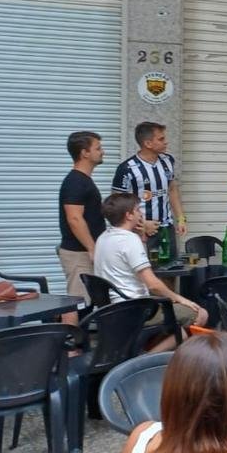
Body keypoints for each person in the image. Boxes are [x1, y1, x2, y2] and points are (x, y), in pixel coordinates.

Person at [93, 193, 207, 350]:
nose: (141, 213)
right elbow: (152, 284)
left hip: (112, 308)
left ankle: (145, 349)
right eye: (137, 209)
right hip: (135, 309)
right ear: (129, 215)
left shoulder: (103, 237)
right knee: (200, 314)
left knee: (175, 323)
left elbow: (132, 265)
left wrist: (142, 238)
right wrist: (180, 299)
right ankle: (147, 360)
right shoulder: (128, 240)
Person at [58, 131, 107, 323]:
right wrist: (92, 248)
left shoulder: (84, 180)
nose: (103, 152)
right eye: (98, 148)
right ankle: (70, 348)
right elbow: (75, 219)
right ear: (85, 153)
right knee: (76, 300)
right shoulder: (75, 182)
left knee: (86, 301)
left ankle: (78, 342)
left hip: (86, 250)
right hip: (77, 252)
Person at [112, 122, 184, 248]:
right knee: (145, 267)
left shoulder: (168, 160)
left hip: (167, 228)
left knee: (171, 266)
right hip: (140, 231)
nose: (166, 142)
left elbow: (172, 189)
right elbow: (117, 203)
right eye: (161, 139)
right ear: (148, 143)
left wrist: (180, 218)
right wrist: (142, 223)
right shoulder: (127, 168)